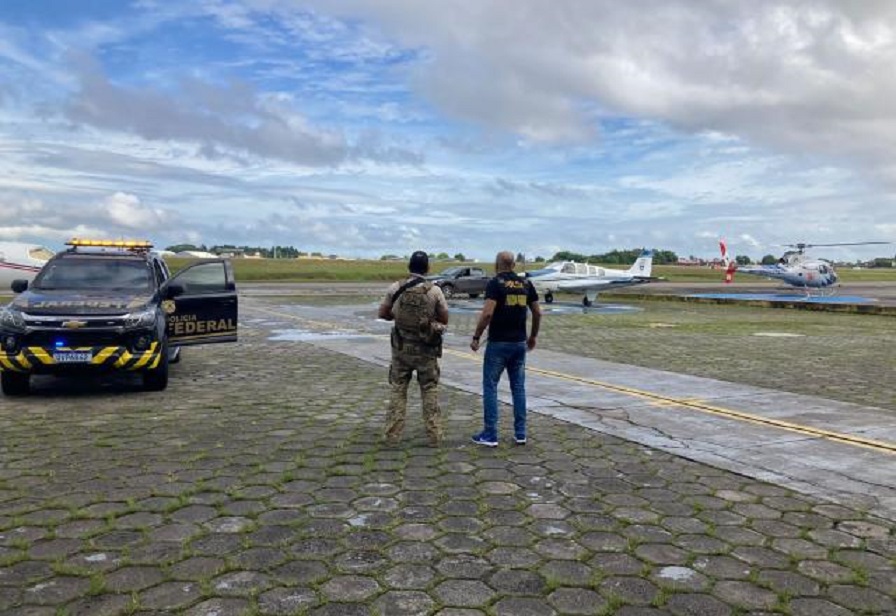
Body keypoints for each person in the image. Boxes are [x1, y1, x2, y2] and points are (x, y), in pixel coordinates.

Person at [470, 251, 541, 447]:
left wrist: (476, 337)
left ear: (497, 264)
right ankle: (520, 433)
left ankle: (490, 433)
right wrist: (533, 336)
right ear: (514, 265)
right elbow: (537, 312)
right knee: (518, 388)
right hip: (519, 344)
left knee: (490, 386)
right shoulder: (526, 284)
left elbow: (487, 314)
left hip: (499, 344)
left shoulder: (495, 284)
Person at [378, 250, 449, 446]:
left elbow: (383, 313)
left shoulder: (395, 288)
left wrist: (399, 318)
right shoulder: (434, 291)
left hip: (401, 348)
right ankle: (434, 435)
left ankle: (392, 435)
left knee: (398, 389)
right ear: (427, 268)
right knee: (429, 389)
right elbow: (444, 319)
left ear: (409, 267)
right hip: (426, 350)